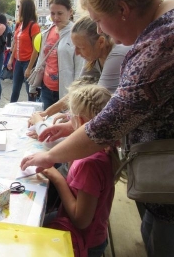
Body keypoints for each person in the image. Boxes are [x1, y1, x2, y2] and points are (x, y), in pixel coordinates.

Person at [21, 0, 174, 256]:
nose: (100, 31)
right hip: (165, 183)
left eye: (98, 20)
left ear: (123, 9)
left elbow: (108, 125)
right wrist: (73, 125)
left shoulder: (166, 42)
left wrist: (50, 158)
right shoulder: (172, 17)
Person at [43, 84, 121, 257]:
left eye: (71, 117)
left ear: (82, 122)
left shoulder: (89, 164)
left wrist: (57, 178)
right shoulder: (104, 148)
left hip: (84, 242)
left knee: (32, 226)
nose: (68, 120)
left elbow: (81, 220)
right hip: (93, 233)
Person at [32, 15, 130, 120]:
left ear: (100, 42)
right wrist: (46, 113)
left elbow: (99, 104)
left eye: (81, 48)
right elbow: (78, 90)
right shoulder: (94, 55)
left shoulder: (116, 55)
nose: (77, 53)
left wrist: (69, 118)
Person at [29, 0, 84, 110]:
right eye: (52, 13)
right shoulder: (48, 32)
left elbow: (80, 68)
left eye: (60, 13)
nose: (55, 18)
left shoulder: (76, 34)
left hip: (65, 91)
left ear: (70, 12)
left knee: (59, 124)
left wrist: (75, 94)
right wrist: (34, 85)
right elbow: (42, 59)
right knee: (45, 122)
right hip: (46, 88)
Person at [7, 0, 41, 102]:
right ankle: (11, 110)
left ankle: (32, 113)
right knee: (15, 90)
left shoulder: (34, 26)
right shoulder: (19, 24)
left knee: (30, 91)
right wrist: (11, 59)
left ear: (25, 8)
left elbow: (36, 48)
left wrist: (30, 68)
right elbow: (17, 43)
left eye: (19, 6)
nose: (18, 8)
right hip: (18, 61)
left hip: (28, 62)